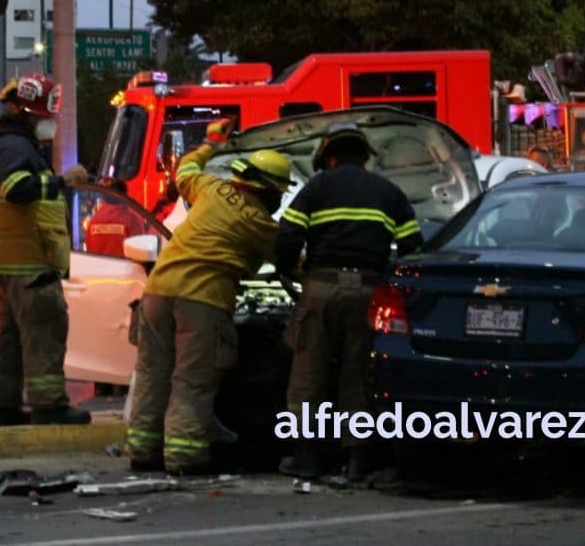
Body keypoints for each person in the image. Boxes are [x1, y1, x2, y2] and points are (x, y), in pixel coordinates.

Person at [125, 118, 295, 476]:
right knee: (192, 379)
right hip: (202, 301)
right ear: (268, 190)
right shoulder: (260, 224)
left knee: (153, 373)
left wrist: (210, 143)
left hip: (157, 291)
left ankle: (142, 451)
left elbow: (185, 169)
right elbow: (293, 260)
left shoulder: (210, 189)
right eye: (279, 190)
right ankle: (184, 457)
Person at [275, 122, 424, 482]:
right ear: (364, 156)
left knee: (308, 375)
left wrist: (290, 273)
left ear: (328, 156)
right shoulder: (388, 192)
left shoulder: (317, 187)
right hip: (369, 292)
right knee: (357, 375)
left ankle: (308, 460)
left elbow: (288, 235)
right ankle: (356, 462)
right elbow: (413, 248)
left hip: (321, 287)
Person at [0, 73, 91, 426]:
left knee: (10, 338)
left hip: (10, 257)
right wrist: (62, 182)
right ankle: (49, 406)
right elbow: (18, 188)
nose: (49, 122)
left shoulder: (7, 140)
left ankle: (3, 406)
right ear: (26, 111)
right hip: (29, 260)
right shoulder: (14, 145)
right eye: (45, 116)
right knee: (45, 330)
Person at [85, 178, 147, 257]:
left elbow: (89, 251)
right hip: (124, 268)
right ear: (124, 196)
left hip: (98, 268)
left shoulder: (94, 221)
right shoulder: (132, 221)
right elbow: (141, 252)